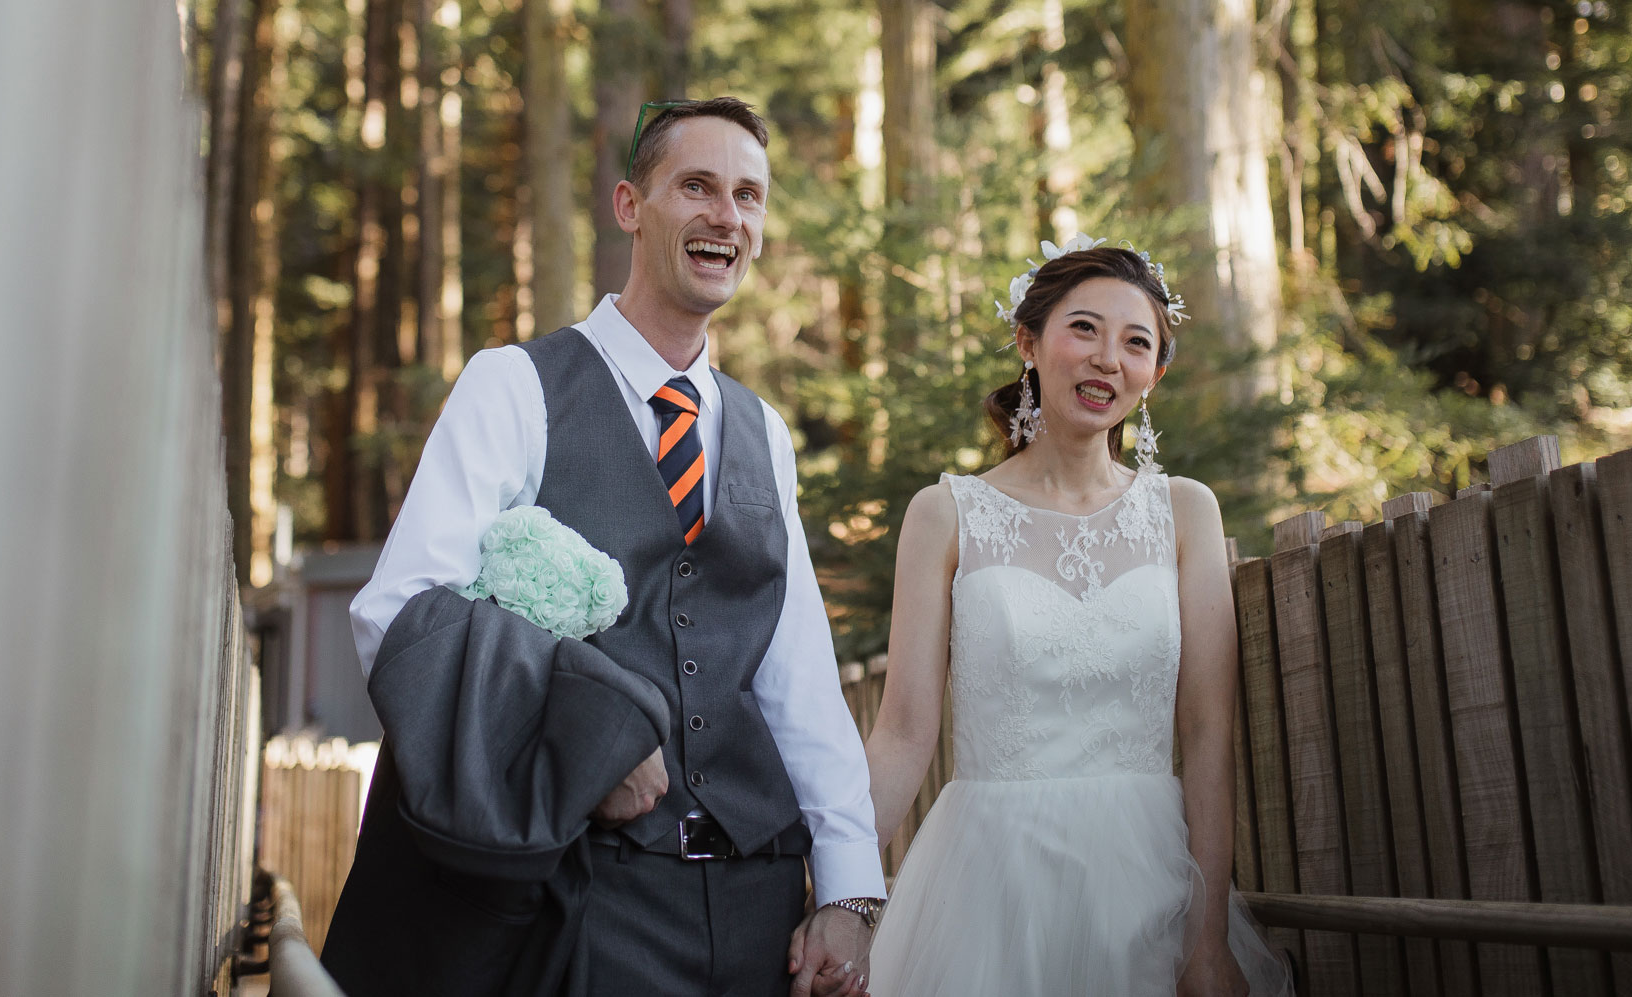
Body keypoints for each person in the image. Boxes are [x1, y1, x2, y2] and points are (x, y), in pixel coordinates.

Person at [335, 98, 885, 997]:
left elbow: (800, 681)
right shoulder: (514, 386)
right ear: (631, 205)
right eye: (697, 186)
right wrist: (579, 733)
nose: (726, 216)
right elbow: (400, 615)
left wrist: (850, 892)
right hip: (585, 894)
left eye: (748, 195)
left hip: (761, 904)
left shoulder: (764, 430)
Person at [862, 238, 1292, 996]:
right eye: (1083, 329)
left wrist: (1208, 934)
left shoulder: (1185, 512)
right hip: (988, 889)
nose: (1107, 360)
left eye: (1135, 343)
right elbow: (902, 733)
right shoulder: (945, 514)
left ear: (1155, 373)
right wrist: (837, 888)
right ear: (1029, 342)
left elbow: (1206, 734)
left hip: (1146, 884)